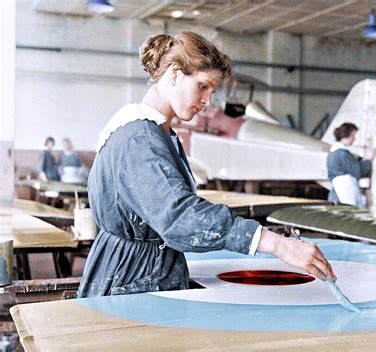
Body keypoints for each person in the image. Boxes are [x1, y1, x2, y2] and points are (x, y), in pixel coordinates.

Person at [78, 31, 336, 298]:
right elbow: (179, 216)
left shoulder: (153, 132)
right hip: (134, 277)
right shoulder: (139, 138)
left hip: (140, 269)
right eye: (202, 86)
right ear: (175, 74)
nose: (208, 101)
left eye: (212, 91)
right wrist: (277, 244)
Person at [327, 123, 374, 207]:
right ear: (347, 135)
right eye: (353, 135)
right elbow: (358, 171)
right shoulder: (342, 153)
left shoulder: (334, 152)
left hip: (338, 191)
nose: (354, 138)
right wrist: (369, 160)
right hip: (345, 191)